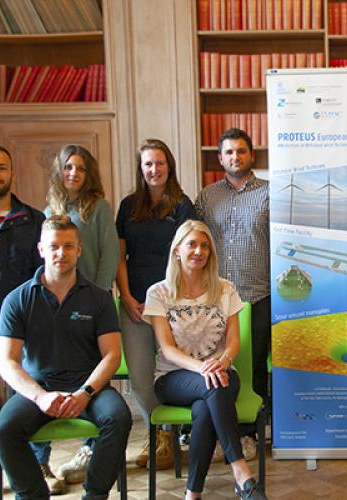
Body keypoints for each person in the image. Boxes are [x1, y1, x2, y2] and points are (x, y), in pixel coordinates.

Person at [0, 215, 132, 500]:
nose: (61, 253)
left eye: (69, 246)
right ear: (41, 249)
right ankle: (33, 495)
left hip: (88, 387)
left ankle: (95, 495)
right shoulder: (17, 300)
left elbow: (112, 355)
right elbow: (7, 363)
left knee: (119, 418)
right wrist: (40, 396)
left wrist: (86, 392)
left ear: (79, 249)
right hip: (39, 388)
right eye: (54, 246)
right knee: (4, 430)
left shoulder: (99, 298)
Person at [143, 220, 266, 500]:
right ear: (177, 250)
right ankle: (241, 472)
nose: (199, 251)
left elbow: (234, 342)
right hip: (173, 377)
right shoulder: (159, 293)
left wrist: (221, 362)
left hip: (222, 372)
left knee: (204, 408)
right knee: (212, 387)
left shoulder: (225, 289)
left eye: (205, 246)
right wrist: (203, 368)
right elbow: (167, 349)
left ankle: (193, 493)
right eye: (192, 244)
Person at [39, 144, 120, 486]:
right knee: (45, 371)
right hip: (54, 304)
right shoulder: (49, 209)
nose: (74, 173)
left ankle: (90, 449)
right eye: (68, 167)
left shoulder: (99, 208)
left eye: (81, 168)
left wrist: (96, 299)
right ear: (60, 171)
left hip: (91, 304)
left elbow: (109, 255)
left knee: (93, 374)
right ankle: (40, 462)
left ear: (89, 174)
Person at [116, 139, 197, 469]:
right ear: (141, 169)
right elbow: (121, 257)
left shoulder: (182, 205)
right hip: (135, 305)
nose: (154, 169)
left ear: (169, 166)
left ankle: (171, 436)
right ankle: (161, 433)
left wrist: (168, 302)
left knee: (173, 372)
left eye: (160, 163)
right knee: (139, 378)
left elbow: (188, 257)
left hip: (171, 306)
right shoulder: (128, 206)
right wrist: (126, 295)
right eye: (148, 164)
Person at [196, 128, 269, 459]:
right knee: (215, 366)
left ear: (251, 155)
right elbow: (195, 244)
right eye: (228, 152)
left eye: (241, 151)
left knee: (253, 367)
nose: (235, 157)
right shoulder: (207, 198)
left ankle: (249, 433)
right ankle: (216, 433)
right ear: (220, 158)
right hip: (216, 299)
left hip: (260, 295)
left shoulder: (272, 194)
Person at [0, 145, 45, 494]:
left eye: (2, 168)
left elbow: (41, 276)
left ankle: (40, 464)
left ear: (13, 173)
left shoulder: (33, 220)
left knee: (35, 396)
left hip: (28, 329)